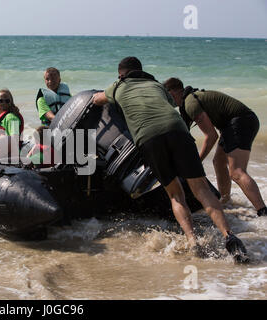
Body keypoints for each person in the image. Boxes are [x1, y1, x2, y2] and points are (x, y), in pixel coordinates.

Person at [93, 57, 249, 263]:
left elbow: (97, 99)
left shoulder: (118, 87)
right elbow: (169, 104)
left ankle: (193, 241)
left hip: (149, 138)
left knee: (176, 194)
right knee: (201, 189)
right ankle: (229, 236)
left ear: (121, 74)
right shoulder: (157, 85)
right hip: (178, 131)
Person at [163, 78, 266, 217]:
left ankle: (263, 211)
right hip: (233, 124)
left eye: (167, 95)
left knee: (236, 172)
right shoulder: (190, 100)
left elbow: (211, 136)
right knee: (218, 162)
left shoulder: (190, 103)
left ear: (174, 92)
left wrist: (196, 161)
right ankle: (225, 200)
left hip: (241, 121)